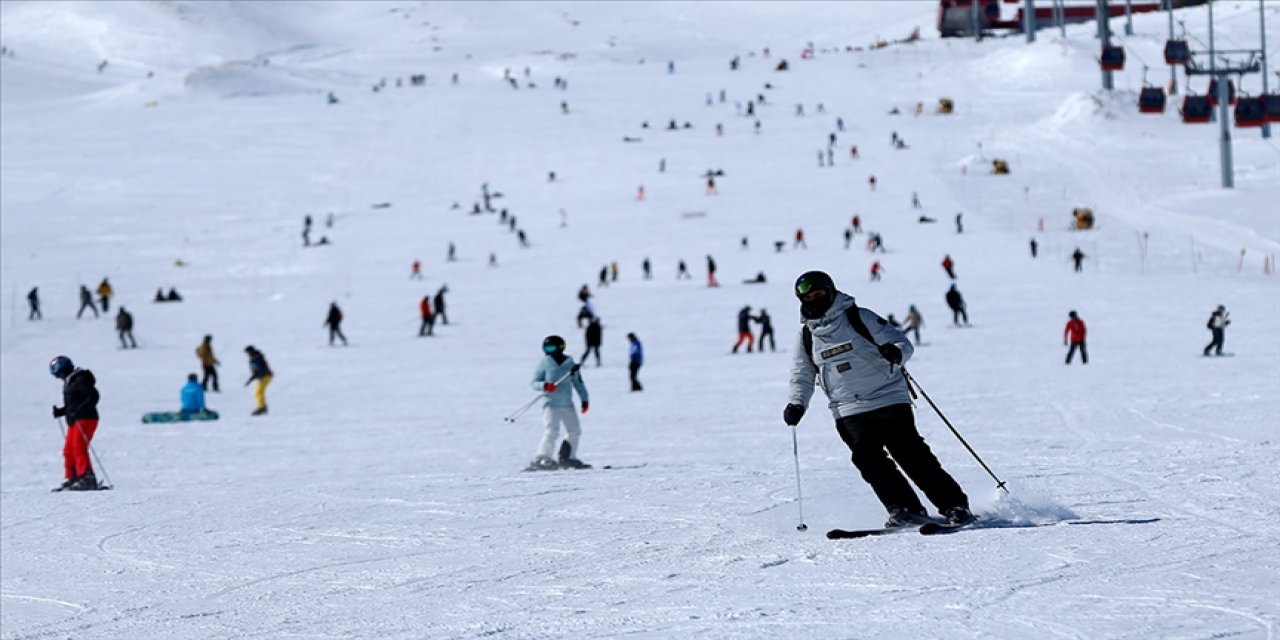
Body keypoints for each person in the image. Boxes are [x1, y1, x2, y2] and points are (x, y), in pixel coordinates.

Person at [782, 271, 973, 527]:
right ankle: (905, 509)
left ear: (830, 291)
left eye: (819, 294)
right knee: (868, 461)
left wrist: (894, 351)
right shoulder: (807, 336)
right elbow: (802, 375)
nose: (814, 300)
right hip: (846, 408)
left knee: (911, 454)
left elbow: (902, 342)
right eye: (808, 297)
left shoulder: (859, 317)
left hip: (888, 398)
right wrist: (797, 403)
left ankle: (954, 506)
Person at [528, 336, 590, 470]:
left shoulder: (570, 364)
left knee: (574, 431)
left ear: (561, 347)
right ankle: (543, 457)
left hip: (567, 404)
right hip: (550, 404)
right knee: (551, 431)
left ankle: (567, 457)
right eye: (546, 348)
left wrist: (584, 399)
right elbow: (534, 382)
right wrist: (545, 385)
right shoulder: (545, 363)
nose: (548, 351)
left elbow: (578, 383)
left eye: (552, 347)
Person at [49, 355, 102, 491]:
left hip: (86, 418)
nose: (58, 377)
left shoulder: (80, 379)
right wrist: (62, 411)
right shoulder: (71, 381)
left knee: (78, 447)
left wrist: (78, 410)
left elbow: (93, 396)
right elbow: (74, 403)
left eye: (58, 374)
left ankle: (86, 478)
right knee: (68, 450)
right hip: (76, 419)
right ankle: (74, 477)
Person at [244, 346, 272, 416]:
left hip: (266, 376)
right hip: (264, 376)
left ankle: (262, 408)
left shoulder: (256, 358)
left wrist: (259, 375)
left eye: (248, 352)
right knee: (258, 392)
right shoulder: (255, 357)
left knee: (259, 392)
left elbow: (260, 368)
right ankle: (262, 407)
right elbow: (256, 369)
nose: (247, 354)